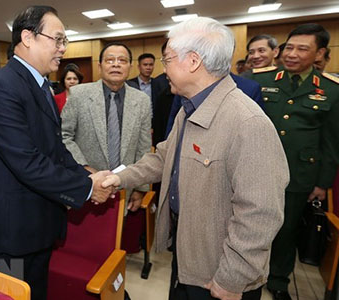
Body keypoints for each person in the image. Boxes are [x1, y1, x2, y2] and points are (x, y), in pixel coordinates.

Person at [102, 17, 289, 300]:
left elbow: (260, 214)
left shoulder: (247, 122)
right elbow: (164, 159)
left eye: (167, 60)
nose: (164, 69)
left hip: (220, 273)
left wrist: (232, 278)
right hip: (190, 253)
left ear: (192, 62)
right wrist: (117, 178)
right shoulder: (189, 109)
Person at [0, 6, 112, 300]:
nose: (63, 49)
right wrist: (87, 188)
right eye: (57, 39)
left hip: (37, 226)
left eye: (64, 42)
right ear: (28, 37)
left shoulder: (42, 86)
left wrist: (87, 173)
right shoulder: (1, 86)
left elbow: (55, 149)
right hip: (7, 233)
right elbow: (26, 161)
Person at [250, 23, 339, 300]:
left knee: (286, 230)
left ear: (320, 53)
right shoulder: (261, 80)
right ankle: (249, 275)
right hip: (256, 169)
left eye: (302, 49)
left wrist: (323, 182)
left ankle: (279, 281)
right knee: (251, 225)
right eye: (289, 47)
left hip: (299, 173)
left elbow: (331, 142)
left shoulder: (335, 90)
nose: (292, 54)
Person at [61, 42, 152, 212]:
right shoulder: (79, 94)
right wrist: (85, 168)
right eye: (110, 60)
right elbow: (63, 135)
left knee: (119, 238)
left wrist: (141, 188)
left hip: (125, 189)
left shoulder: (141, 101)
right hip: (86, 186)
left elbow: (144, 148)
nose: (116, 64)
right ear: (100, 65)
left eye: (122, 60)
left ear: (130, 67)